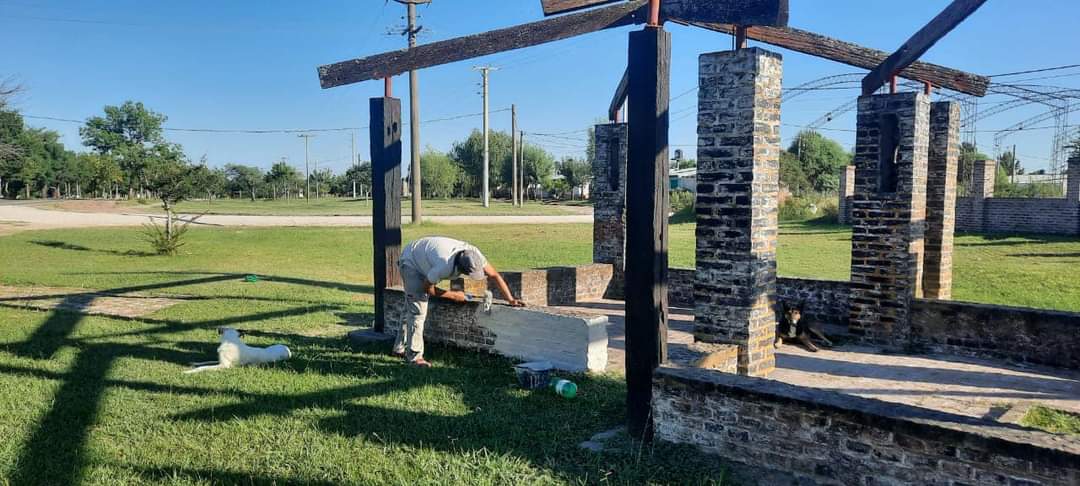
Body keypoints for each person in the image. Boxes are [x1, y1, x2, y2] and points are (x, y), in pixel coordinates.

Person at [394, 236, 524, 367]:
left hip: (423, 256)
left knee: (410, 307)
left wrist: (511, 299)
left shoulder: (474, 253)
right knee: (418, 310)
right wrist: (453, 295)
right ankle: (415, 358)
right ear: (460, 268)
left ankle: (399, 348)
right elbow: (427, 288)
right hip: (411, 263)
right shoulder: (443, 265)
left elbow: (494, 275)